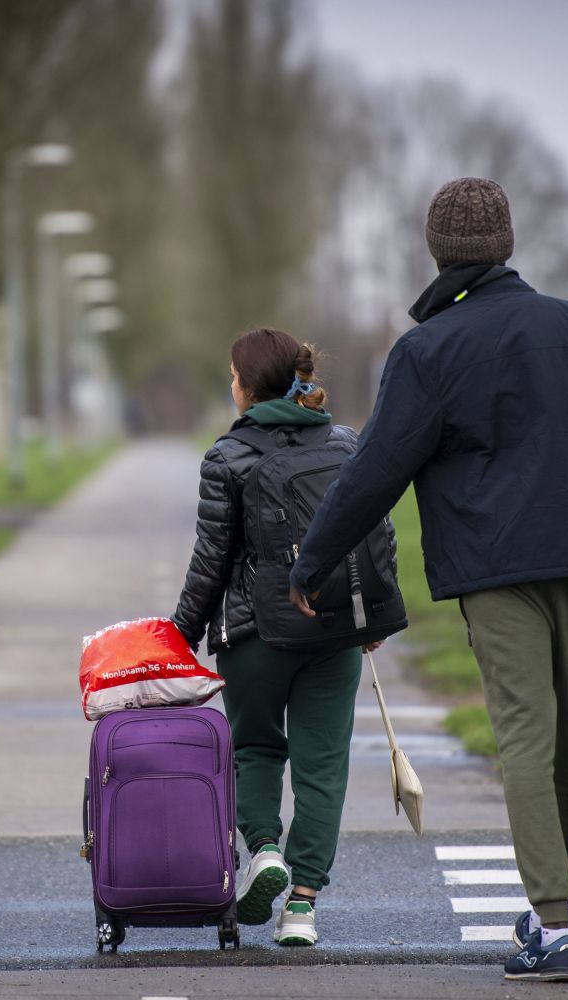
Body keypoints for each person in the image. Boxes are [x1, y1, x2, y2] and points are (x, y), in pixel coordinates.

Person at [288, 178, 568, 983]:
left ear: (437, 251)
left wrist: (313, 558)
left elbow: (375, 469)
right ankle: (552, 907)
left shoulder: (428, 350)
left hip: (497, 567)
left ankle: (554, 924)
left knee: (527, 736)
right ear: (506, 244)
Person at [172, 328, 391, 948]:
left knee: (256, 750)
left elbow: (210, 561)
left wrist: (180, 634)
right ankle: (302, 906)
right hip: (333, 630)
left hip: (254, 635)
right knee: (323, 765)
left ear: (246, 386)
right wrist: (371, 615)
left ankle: (265, 850)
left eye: (232, 376)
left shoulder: (227, 456)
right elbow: (377, 533)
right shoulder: (345, 444)